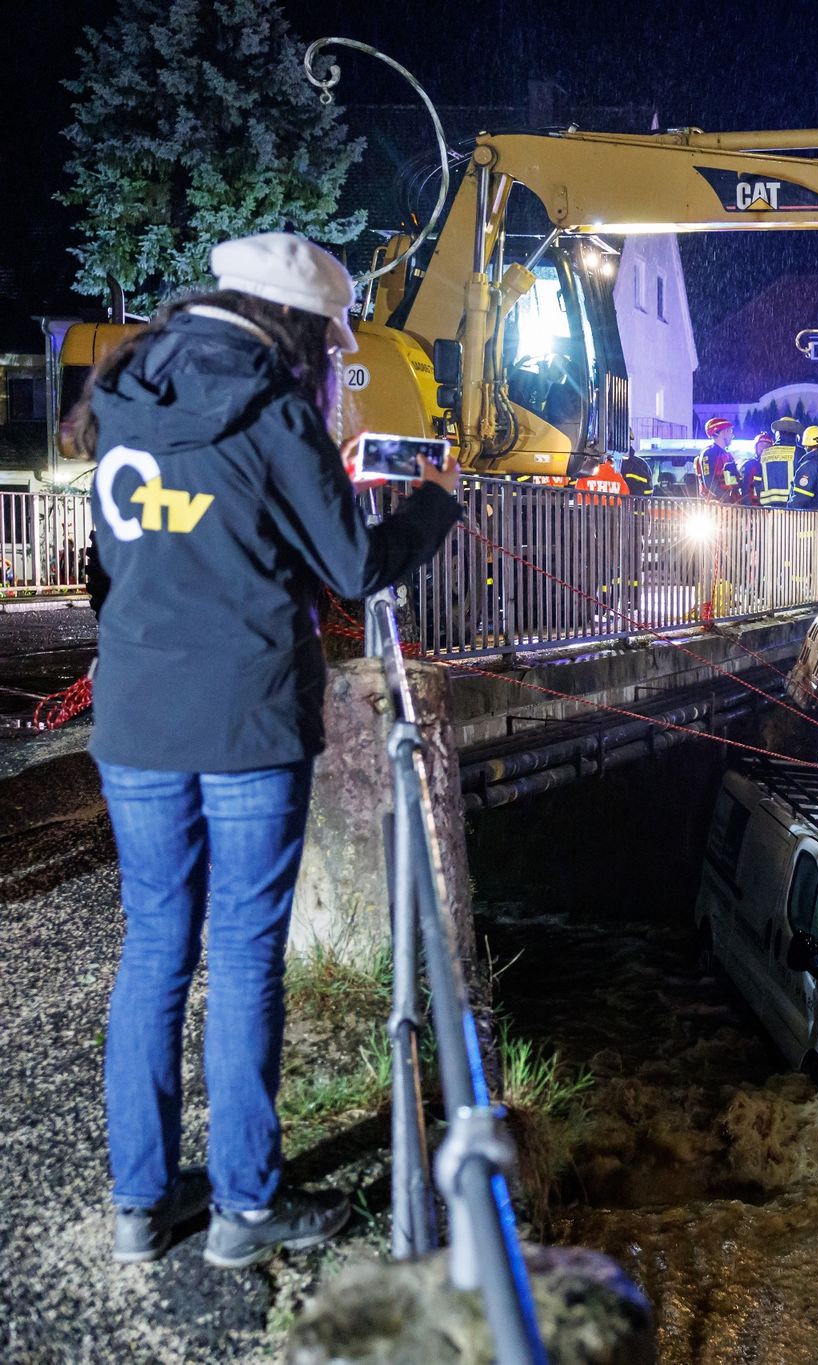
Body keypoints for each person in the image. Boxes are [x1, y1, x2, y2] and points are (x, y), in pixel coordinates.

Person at [74, 233, 462, 1269]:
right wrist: (436, 503)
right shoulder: (278, 408)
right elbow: (352, 566)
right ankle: (244, 1209)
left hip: (137, 714)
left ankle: (138, 1206)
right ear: (300, 330)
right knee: (244, 956)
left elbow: (114, 561)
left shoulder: (125, 391)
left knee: (154, 948)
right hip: (246, 715)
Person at [757, 417, 800, 507]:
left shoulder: (765, 453)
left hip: (767, 508)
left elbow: (757, 480)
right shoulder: (799, 453)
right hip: (791, 507)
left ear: (778, 433)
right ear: (795, 435)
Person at [695, 417, 741, 502]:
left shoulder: (728, 455)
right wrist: (725, 498)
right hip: (715, 503)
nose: (732, 436)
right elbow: (708, 481)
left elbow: (733, 480)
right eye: (729, 431)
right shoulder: (708, 453)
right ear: (722, 433)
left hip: (729, 504)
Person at [788, 424, 818, 510]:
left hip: (807, 518)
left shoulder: (808, 466)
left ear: (806, 445)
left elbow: (801, 497)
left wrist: (788, 512)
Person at [738, 431, 772, 506]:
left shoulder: (773, 466)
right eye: (761, 445)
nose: (764, 448)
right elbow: (745, 489)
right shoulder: (750, 465)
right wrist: (750, 507)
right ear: (755, 447)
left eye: (767, 445)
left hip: (769, 507)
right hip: (754, 507)